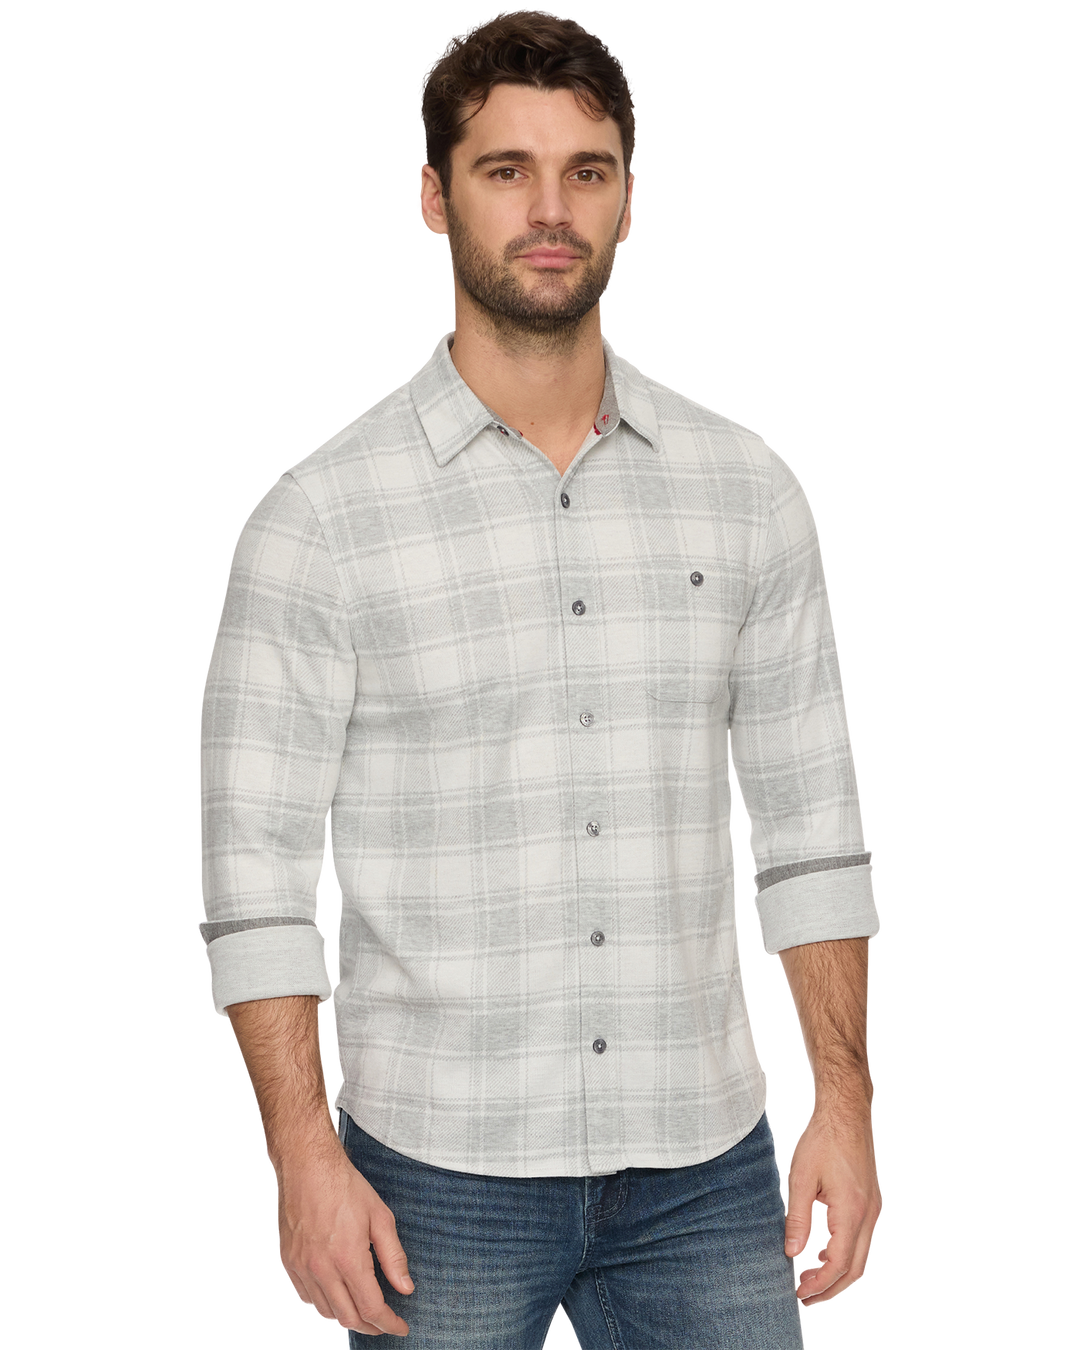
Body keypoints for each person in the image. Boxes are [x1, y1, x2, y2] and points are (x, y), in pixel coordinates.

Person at [197, 9, 884, 1346]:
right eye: (506, 170)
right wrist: (302, 1158)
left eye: (587, 170)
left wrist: (846, 1107)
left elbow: (813, 833)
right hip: (431, 1175)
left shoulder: (747, 488)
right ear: (432, 196)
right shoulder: (319, 519)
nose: (551, 209)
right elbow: (255, 881)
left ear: (631, 200)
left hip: (708, 1168)